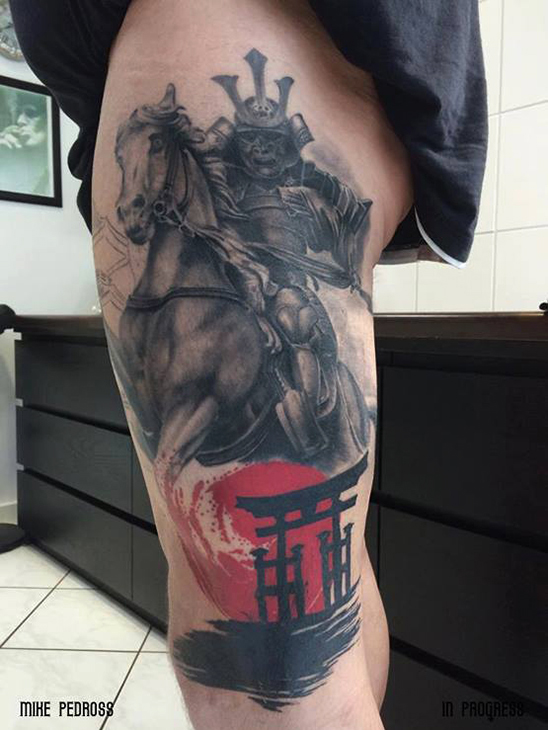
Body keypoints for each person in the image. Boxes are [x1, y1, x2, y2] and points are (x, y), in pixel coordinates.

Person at [10, 1, 487, 728]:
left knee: (259, 665)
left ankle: (308, 412)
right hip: (275, 87)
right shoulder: (210, 180)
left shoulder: (288, 176)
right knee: (333, 588)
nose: (260, 154)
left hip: (218, 20)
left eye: (271, 146)